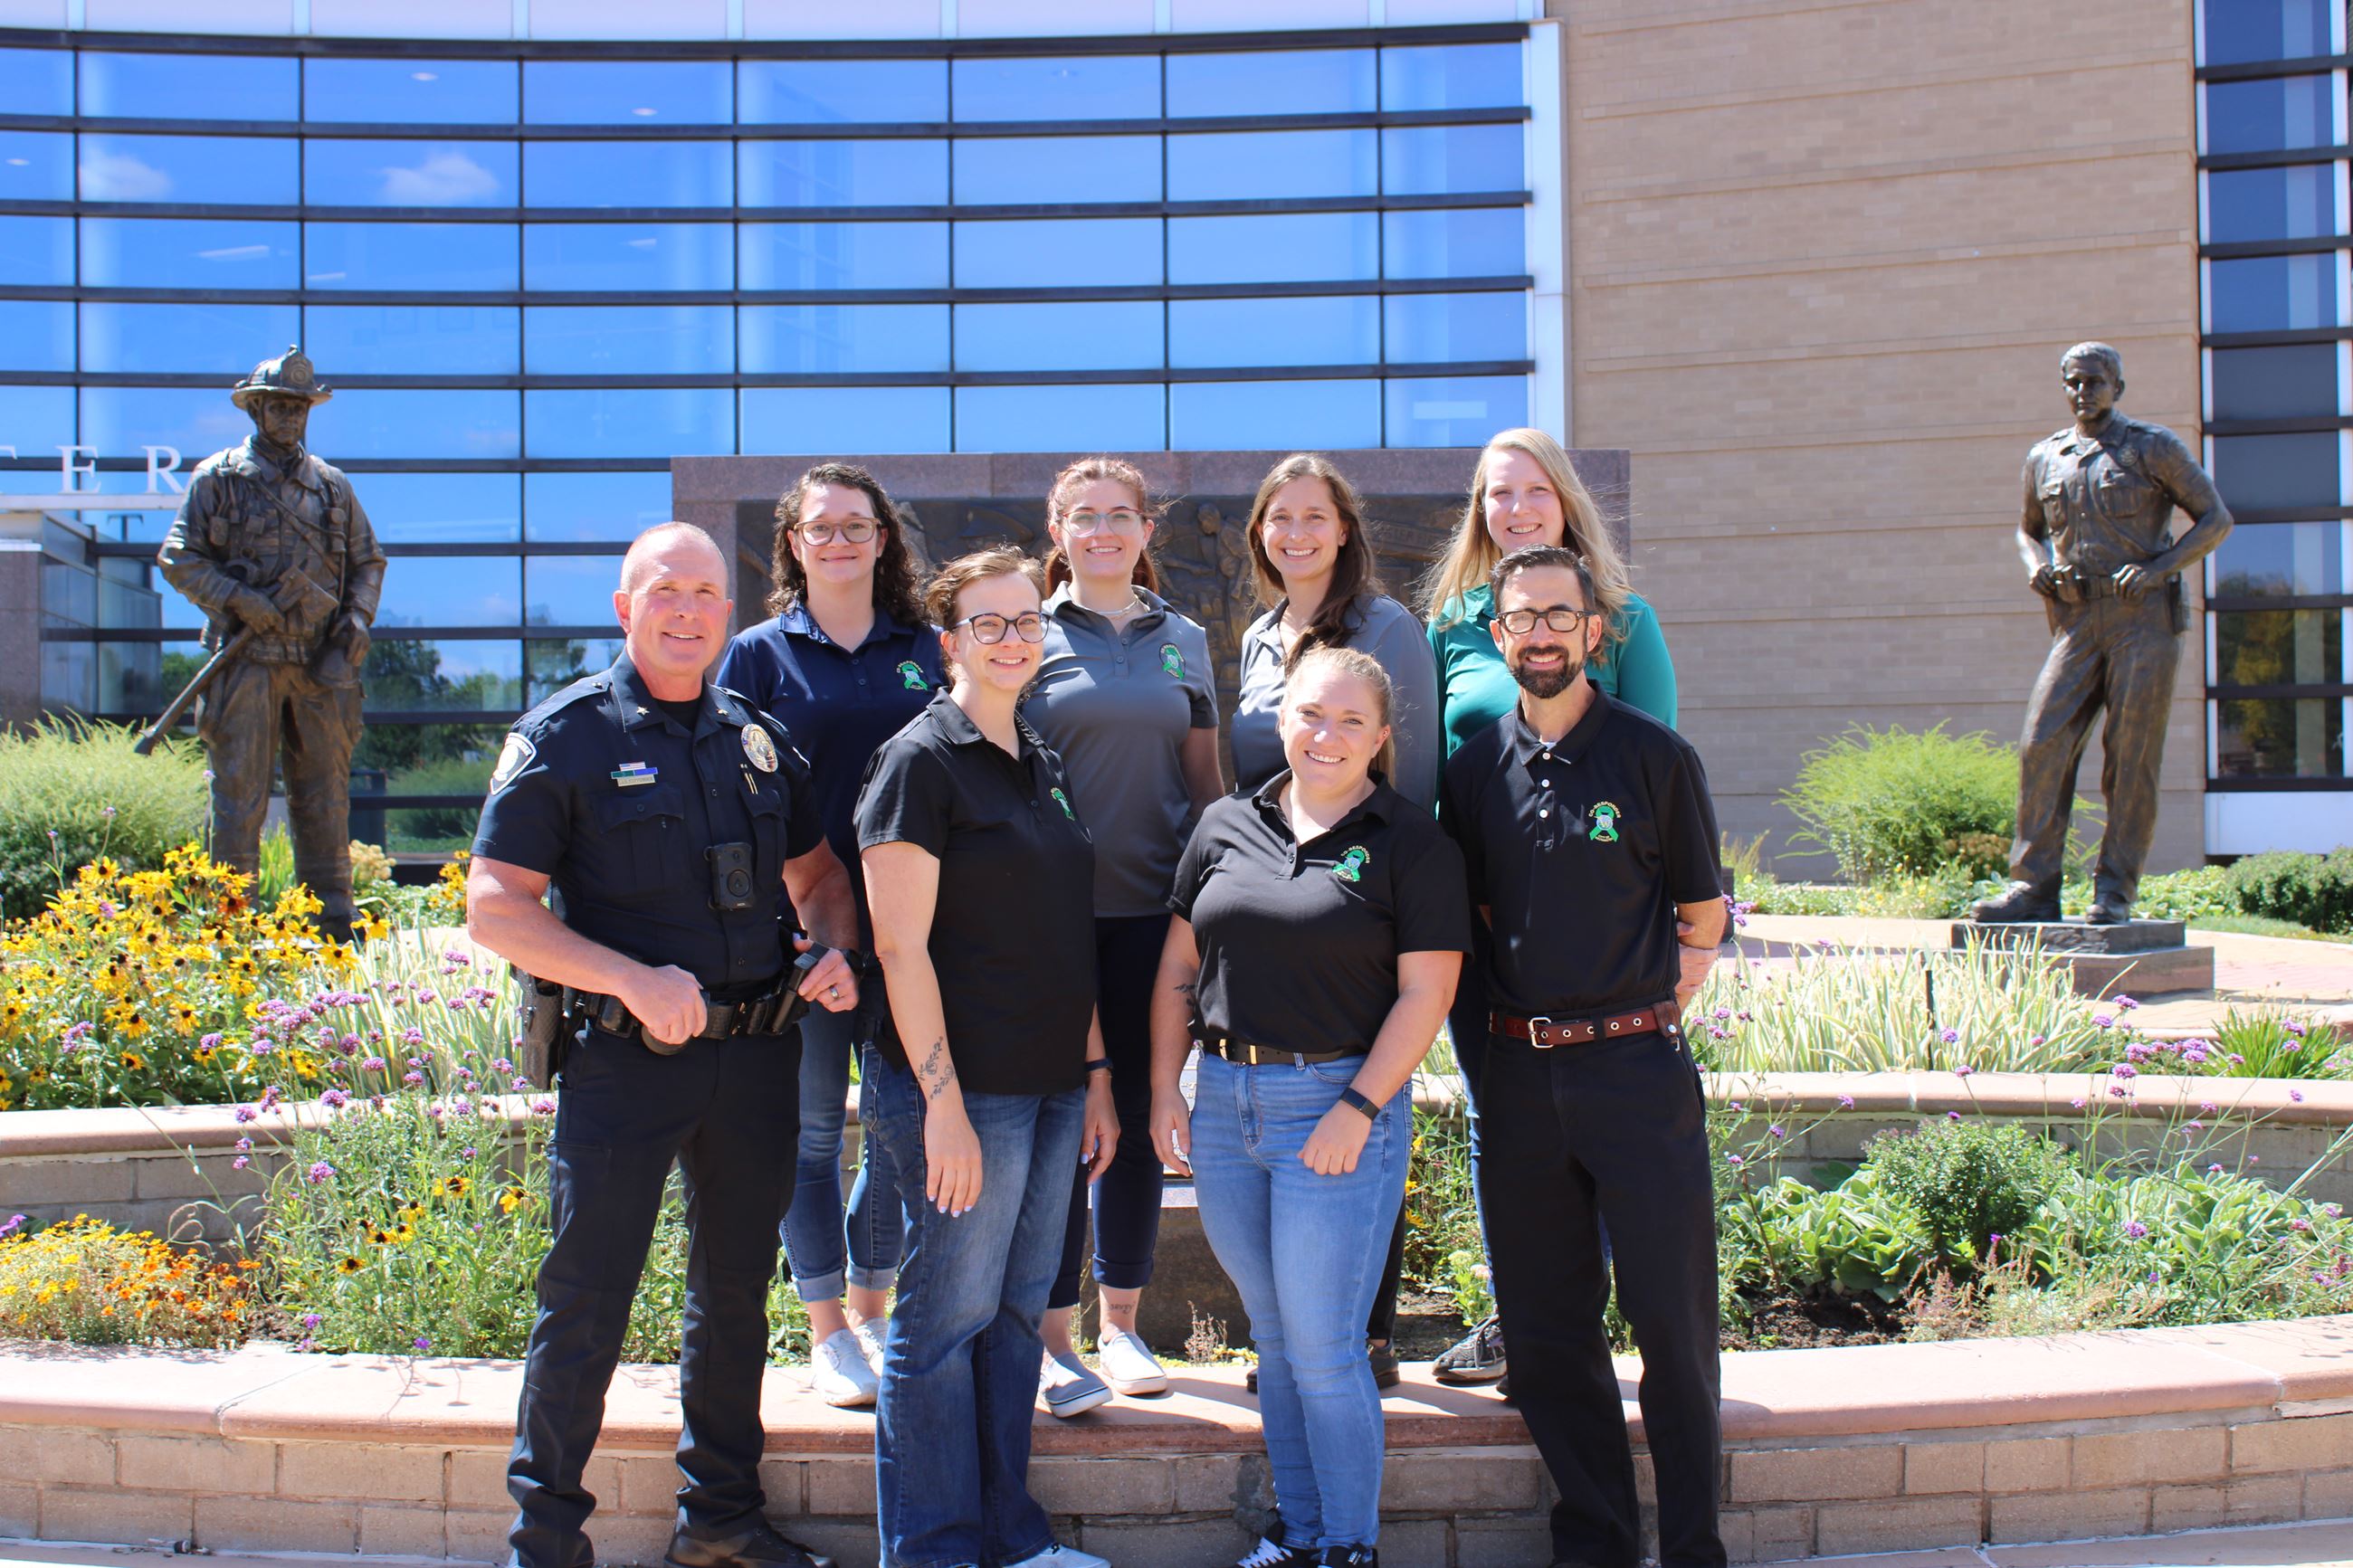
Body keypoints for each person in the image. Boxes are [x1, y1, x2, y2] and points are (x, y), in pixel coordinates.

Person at [466, 522, 865, 1568]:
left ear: (726, 613)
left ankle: (720, 1519)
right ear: (624, 607)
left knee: (734, 1295)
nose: (686, 611)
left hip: (756, 1057)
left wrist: (831, 949)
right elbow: (495, 905)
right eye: (664, 591)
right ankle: (545, 1539)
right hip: (624, 1063)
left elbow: (819, 876)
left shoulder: (757, 738)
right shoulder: (567, 735)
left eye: (703, 593)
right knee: (586, 1298)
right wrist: (628, 979)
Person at [1439, 545, 1727, 1568]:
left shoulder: (1654, 757)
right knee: (1549, 1332)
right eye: (1521, 617)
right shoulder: (1474, 772)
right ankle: (1596, 1541)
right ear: (1498, 635)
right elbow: (1475, 918)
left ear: (1594, 630)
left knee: (1673, 1329)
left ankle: (1691, 1546)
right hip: (1519, 1077)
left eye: (1559, 614)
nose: (1541, 633)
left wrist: (1640, 1012)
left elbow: (1702, 914)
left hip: (1636, 1075)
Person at [1150, 645, 1469, 1568]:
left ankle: (1349, 1545)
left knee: (1326, 1344)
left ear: (1379, 736)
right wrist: (1164, 1084)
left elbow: (1427, 993)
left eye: (1349, 720)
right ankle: (1299, 1531)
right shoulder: (1225, 823)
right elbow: (1178, 968)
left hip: (1336, 1107)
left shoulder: (1410, 842)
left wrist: (1359, 1106)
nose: (1325, 735)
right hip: (1225, 1105)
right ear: (1281, 718)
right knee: (1277, 1339)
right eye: (1309, 714)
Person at [855, 547, 1121, 1568]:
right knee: (941, 1326)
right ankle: (931, 1548)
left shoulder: (1039, 756)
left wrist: (1095, 1075)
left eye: (1026, 620)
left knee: (1014, 1316)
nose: (1013, 638)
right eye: (989, 623)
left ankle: (1010, 1537)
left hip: (1051, 1084)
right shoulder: (918, 762)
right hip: (966, 1093)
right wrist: (943, 1106)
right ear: (949, 643)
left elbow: (1064, 933)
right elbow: (899, 947)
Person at [1415, 425, 1679, 1390]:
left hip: (1592, 930)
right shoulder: (1452, 623)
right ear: (1479, 510)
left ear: (1564, 500)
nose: (1516, 508)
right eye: (1498, 493)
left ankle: (1578, 1321)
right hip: (1478, 922)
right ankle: (1519, 1317)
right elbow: (1433, 776)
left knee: (1596, 1123)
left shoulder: (1625, 621)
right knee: (1500, 1116)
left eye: (1533, 490)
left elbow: (1656, 778)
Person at [715, 462, 945, 1410]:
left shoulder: (928, 647)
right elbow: (730, 795)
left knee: (898, 1132)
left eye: (857, 525)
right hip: (801, 937)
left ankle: (870, 1303)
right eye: (821, 527)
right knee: (811, 1134)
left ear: (882, 539)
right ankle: (825, 1330)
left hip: (913, 934)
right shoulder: (757, 656)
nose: (840, 540)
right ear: (794, 543)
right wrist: (799, 930)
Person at [1225, 453, 1443, 1388]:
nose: (1297, 532)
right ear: (1260, 534)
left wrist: (1393, 897)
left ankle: (1366, 1336)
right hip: (1271, 900)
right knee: (1280, 1118)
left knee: (1361, 1097)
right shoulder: (1258, 637)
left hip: (1360, 896)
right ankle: (1288, 1339)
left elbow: (1414, 770)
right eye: (1280, 517)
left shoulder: (1385, 627)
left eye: (1314, 515)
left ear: (1343, 528)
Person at [1024, 457, 1224, 1415]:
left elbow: (1204, 779)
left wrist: (1223, 895)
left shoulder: (1183, 638)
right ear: (1057, 530)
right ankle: (1052, 1338)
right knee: (1065, 1124)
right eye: (1083, 516)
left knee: (1144, 1118)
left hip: (1157, 916)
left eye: (1120, 515)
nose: (1101, 531)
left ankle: (1122, 1323)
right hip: (1049, 921)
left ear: (1148, 529)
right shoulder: (1024, 630)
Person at [1972, 341, 2234, 925]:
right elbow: (2028, 530)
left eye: (2093, 381)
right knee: (2042, 743)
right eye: (2072, 381)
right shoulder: (2046, 456)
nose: (2082, 391)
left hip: (2143, 620)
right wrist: (2037, 565)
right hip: (2076, 621)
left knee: (2129, 756)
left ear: (2118, 387)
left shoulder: (2152, 447)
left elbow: (2216, 518)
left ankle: (2114, 893)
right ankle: (2033, 887)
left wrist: (2159, 567)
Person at [156, 344, 386, 942]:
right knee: (239, 796)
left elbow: (368, 561)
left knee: (324, 796)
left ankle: (332, 924)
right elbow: (178, 556)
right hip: (246, 660)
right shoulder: (219, 478)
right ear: (256, 410)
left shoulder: (331, 487)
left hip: (320, 663)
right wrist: (239, 598)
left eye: (299, 408)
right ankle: (233, 930)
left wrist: (357, 618)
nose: (291, 417)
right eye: (280, 407)